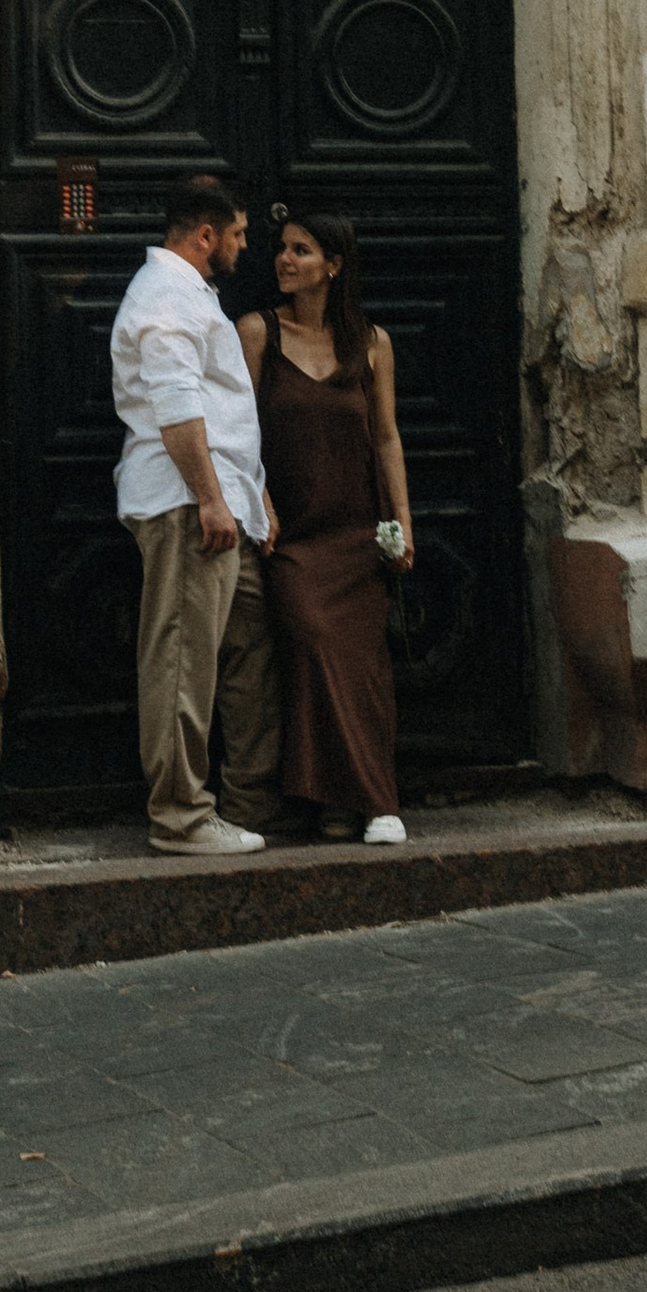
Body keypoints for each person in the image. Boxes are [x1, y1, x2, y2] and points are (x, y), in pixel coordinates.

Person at [108, 173, 281, 857]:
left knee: (247, 644)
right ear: (206, 234)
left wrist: (247, 494)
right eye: (239, 234)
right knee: (180, 658)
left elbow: (220, 409)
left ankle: (246, 799)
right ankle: (180, 816)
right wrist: (210, 496)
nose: (245, 247)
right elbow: (177, 405)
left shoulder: (190, 294)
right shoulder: (166, 296)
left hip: (221, 502)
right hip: (187, 503)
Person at [239, 212, 411, 845]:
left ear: (333, 266)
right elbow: (238, 432)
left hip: (356, 529)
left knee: (364, 666)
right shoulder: (256, 333)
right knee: (312, 640)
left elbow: (387, 437)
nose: (285, 260)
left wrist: (402, 521)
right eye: (283, 249)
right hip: (293, 535)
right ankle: (344, 795)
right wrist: (257, 499)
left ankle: (369, 804)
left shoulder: (372, 343)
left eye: (301, 251)